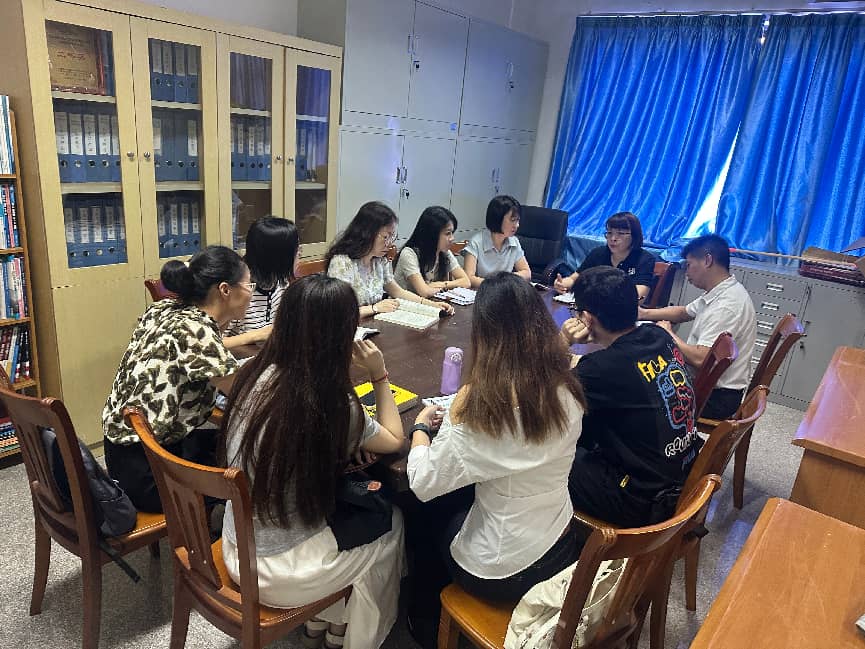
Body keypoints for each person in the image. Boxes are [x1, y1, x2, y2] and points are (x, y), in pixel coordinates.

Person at [219, 274, 406, 649]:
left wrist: (343, 442)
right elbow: (394, 439)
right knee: (394, 523)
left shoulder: (254, 371)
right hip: (275, 568)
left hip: (236, 540)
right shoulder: (329, 401)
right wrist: (379, 374)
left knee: (348, 508)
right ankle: (357, 638)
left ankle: (326, 623)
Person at [406, 272, 585, 647]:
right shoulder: (567, 388)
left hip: (504, 569)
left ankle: (425, 622)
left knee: (424, 514)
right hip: (560, 539)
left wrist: (421, 430)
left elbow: (423, 483)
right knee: (459, 499)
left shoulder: (484, 409)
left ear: (484, 336)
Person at [102, 246, 250, 513]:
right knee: (249, 463)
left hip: (124, 457)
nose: (251, 292)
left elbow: (203, 350)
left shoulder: (164, 308)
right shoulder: (198, 332)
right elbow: (247, 393)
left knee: (226, 443)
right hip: (152, 478)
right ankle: (221, 532)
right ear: (225, 290)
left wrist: (252, 340)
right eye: (248, 285)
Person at [561, 267, 700, 527]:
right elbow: (621, 370)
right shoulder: (658, 336)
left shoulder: (601, 368)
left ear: (586, 318)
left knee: (548, 458)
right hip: (681, 472)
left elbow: (541, 391)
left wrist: (562, 342)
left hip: (641, 499)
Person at [638, 234, 756, 420]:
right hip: (706, 385)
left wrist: (668, 333)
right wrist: (643, 314)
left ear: (707, 261)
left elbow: (701, 358)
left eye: (689, 265)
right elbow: (683, 312)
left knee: (638, 389)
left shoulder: (726, 305)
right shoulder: (721, 290)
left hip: (714, 397)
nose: (686, 272)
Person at [325, 201, 454, 317]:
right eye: (385, 237)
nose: (389, 243)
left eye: (392, 237)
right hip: (349, 327)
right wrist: (374, 308)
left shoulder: (378, 261)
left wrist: (431, 305)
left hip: (373, 324)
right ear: (366, 233)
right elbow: (338, 311)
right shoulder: (341, 262)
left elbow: (398, 292)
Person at [223, 216, 300, 350]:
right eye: (295, 251)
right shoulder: (239, 290)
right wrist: (256, 335)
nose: (299, 255)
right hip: (242, 359)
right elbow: (214, 341)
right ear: (279, 258)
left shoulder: (281, 283)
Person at [553, 211, 655, 300]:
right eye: (609, 233)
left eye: (620, 233)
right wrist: (562, 284)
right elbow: (574, 278)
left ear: (634, 236)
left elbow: (639, 296)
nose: (613, 238)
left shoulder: (644, 259)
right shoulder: (598, 253)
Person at [393, 206, 470, 297]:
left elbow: (466, 281)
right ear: (432, 234)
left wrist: (442, 284)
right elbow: (424, 291)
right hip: (404, 303)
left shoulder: (444, 252)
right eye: (447, 233)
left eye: (452, 233)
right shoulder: (409, 254)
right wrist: (438, 287)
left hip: (429, 302)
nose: (452, 238)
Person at [462, 195, 532, 287]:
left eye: (518, 220)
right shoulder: (476, 242)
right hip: (482, 292)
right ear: (497, 219)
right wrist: (496, 284)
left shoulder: (514, 242)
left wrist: (504, 280)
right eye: (513, 220)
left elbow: (527, 273)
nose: (517, 225)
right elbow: (469, 278)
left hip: (503, 291)